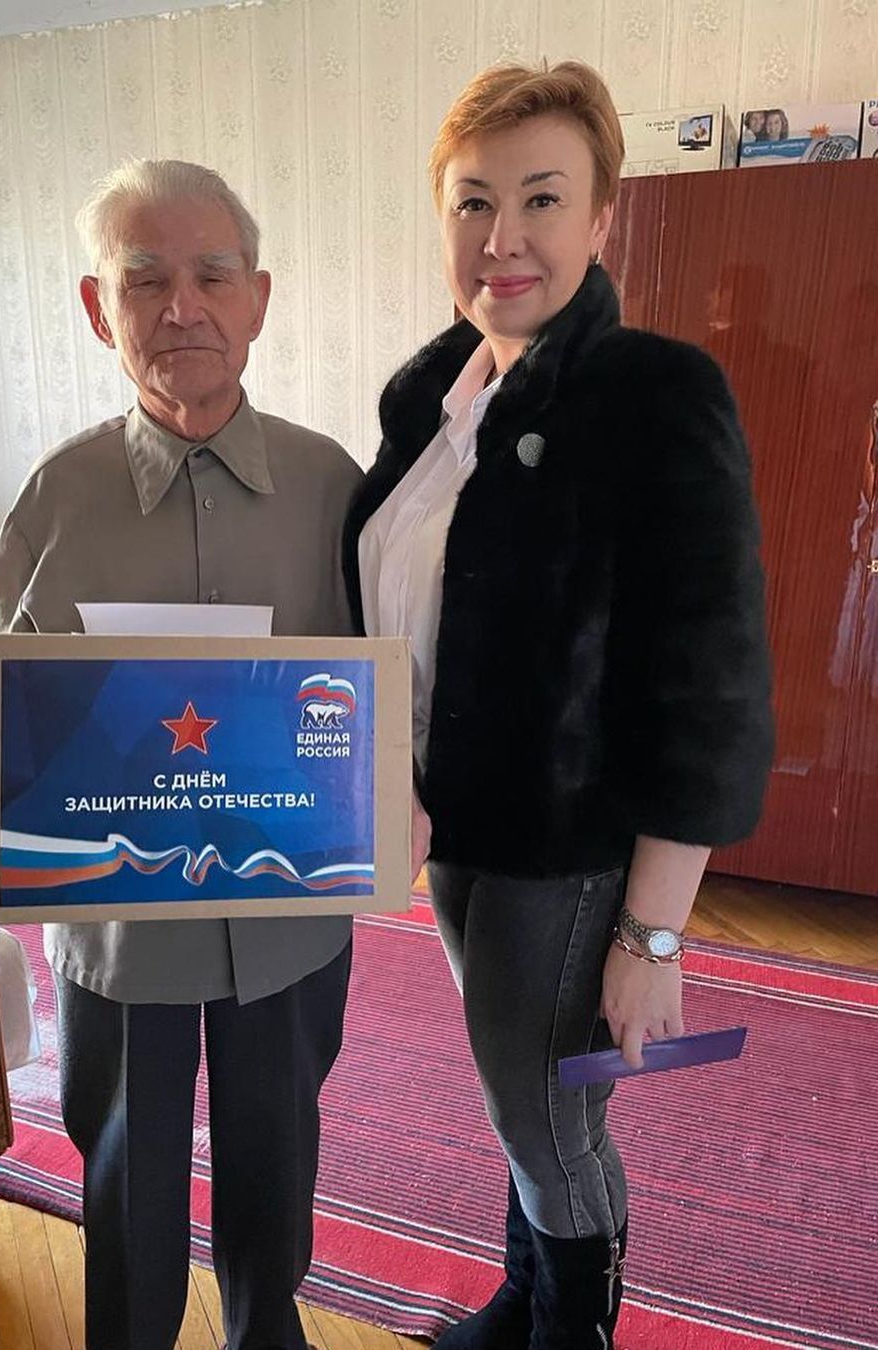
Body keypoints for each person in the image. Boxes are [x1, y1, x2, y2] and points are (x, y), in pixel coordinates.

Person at [343, 62, 773, 1349]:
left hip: (570, 846)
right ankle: (525, 1298)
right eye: (473, 202)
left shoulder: (655, 394)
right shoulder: (431, 401)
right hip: (457, 830)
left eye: (541, 198)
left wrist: (654, 937)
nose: (504, 237)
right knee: (522, 1088)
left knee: (543, 1114)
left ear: (600, 217)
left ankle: (570, 1329)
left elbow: (707, 686)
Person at [0, 157, 363, 1350]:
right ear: (99, 308)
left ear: (258, 298)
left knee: (276, 1166)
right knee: (128, 1174)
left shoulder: (334, 487)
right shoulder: (56, 497)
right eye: (146, 280)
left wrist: (405, 785)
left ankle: (263, 1333)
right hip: (118, 922)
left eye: (213, 276)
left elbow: (390, 691)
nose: (184, 307)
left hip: (290, 917)